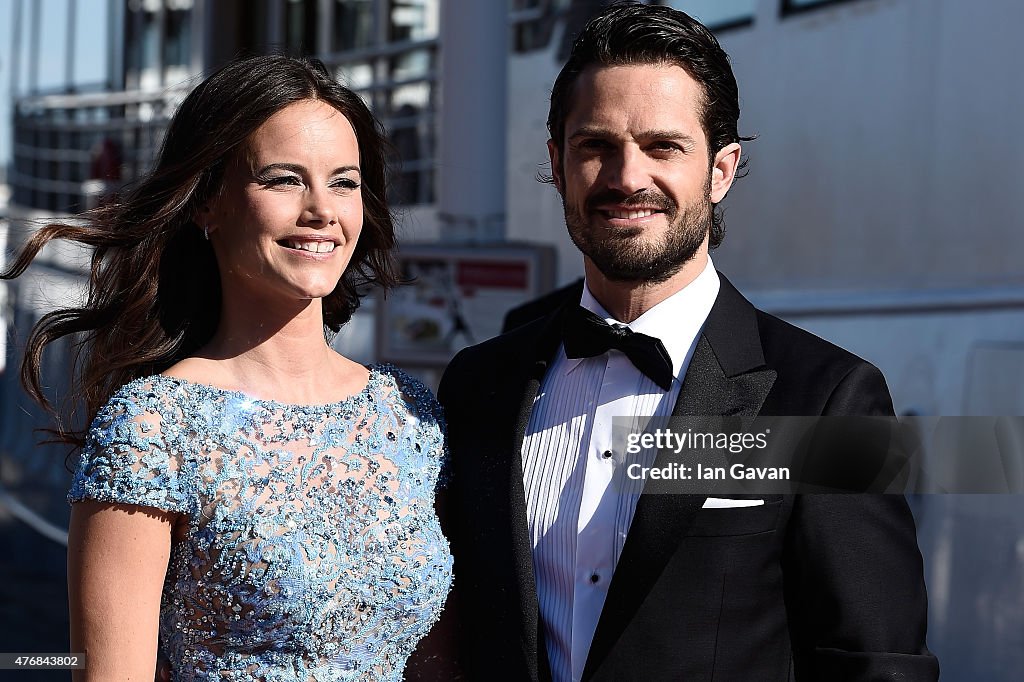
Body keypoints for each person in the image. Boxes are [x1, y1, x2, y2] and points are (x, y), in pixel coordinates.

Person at [438, 4, 938, 681]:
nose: (627, 177)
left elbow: (877, 662)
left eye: (662, 146)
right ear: (557, 164)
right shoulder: (479, 385)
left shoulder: (828, 397)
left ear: (722, 169)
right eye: (595, 147)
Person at [2, 55, 452, 680]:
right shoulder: (152, 428)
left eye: (344, 181)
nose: (322, 209)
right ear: (207, 203)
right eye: (284, 179)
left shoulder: (411, 414)